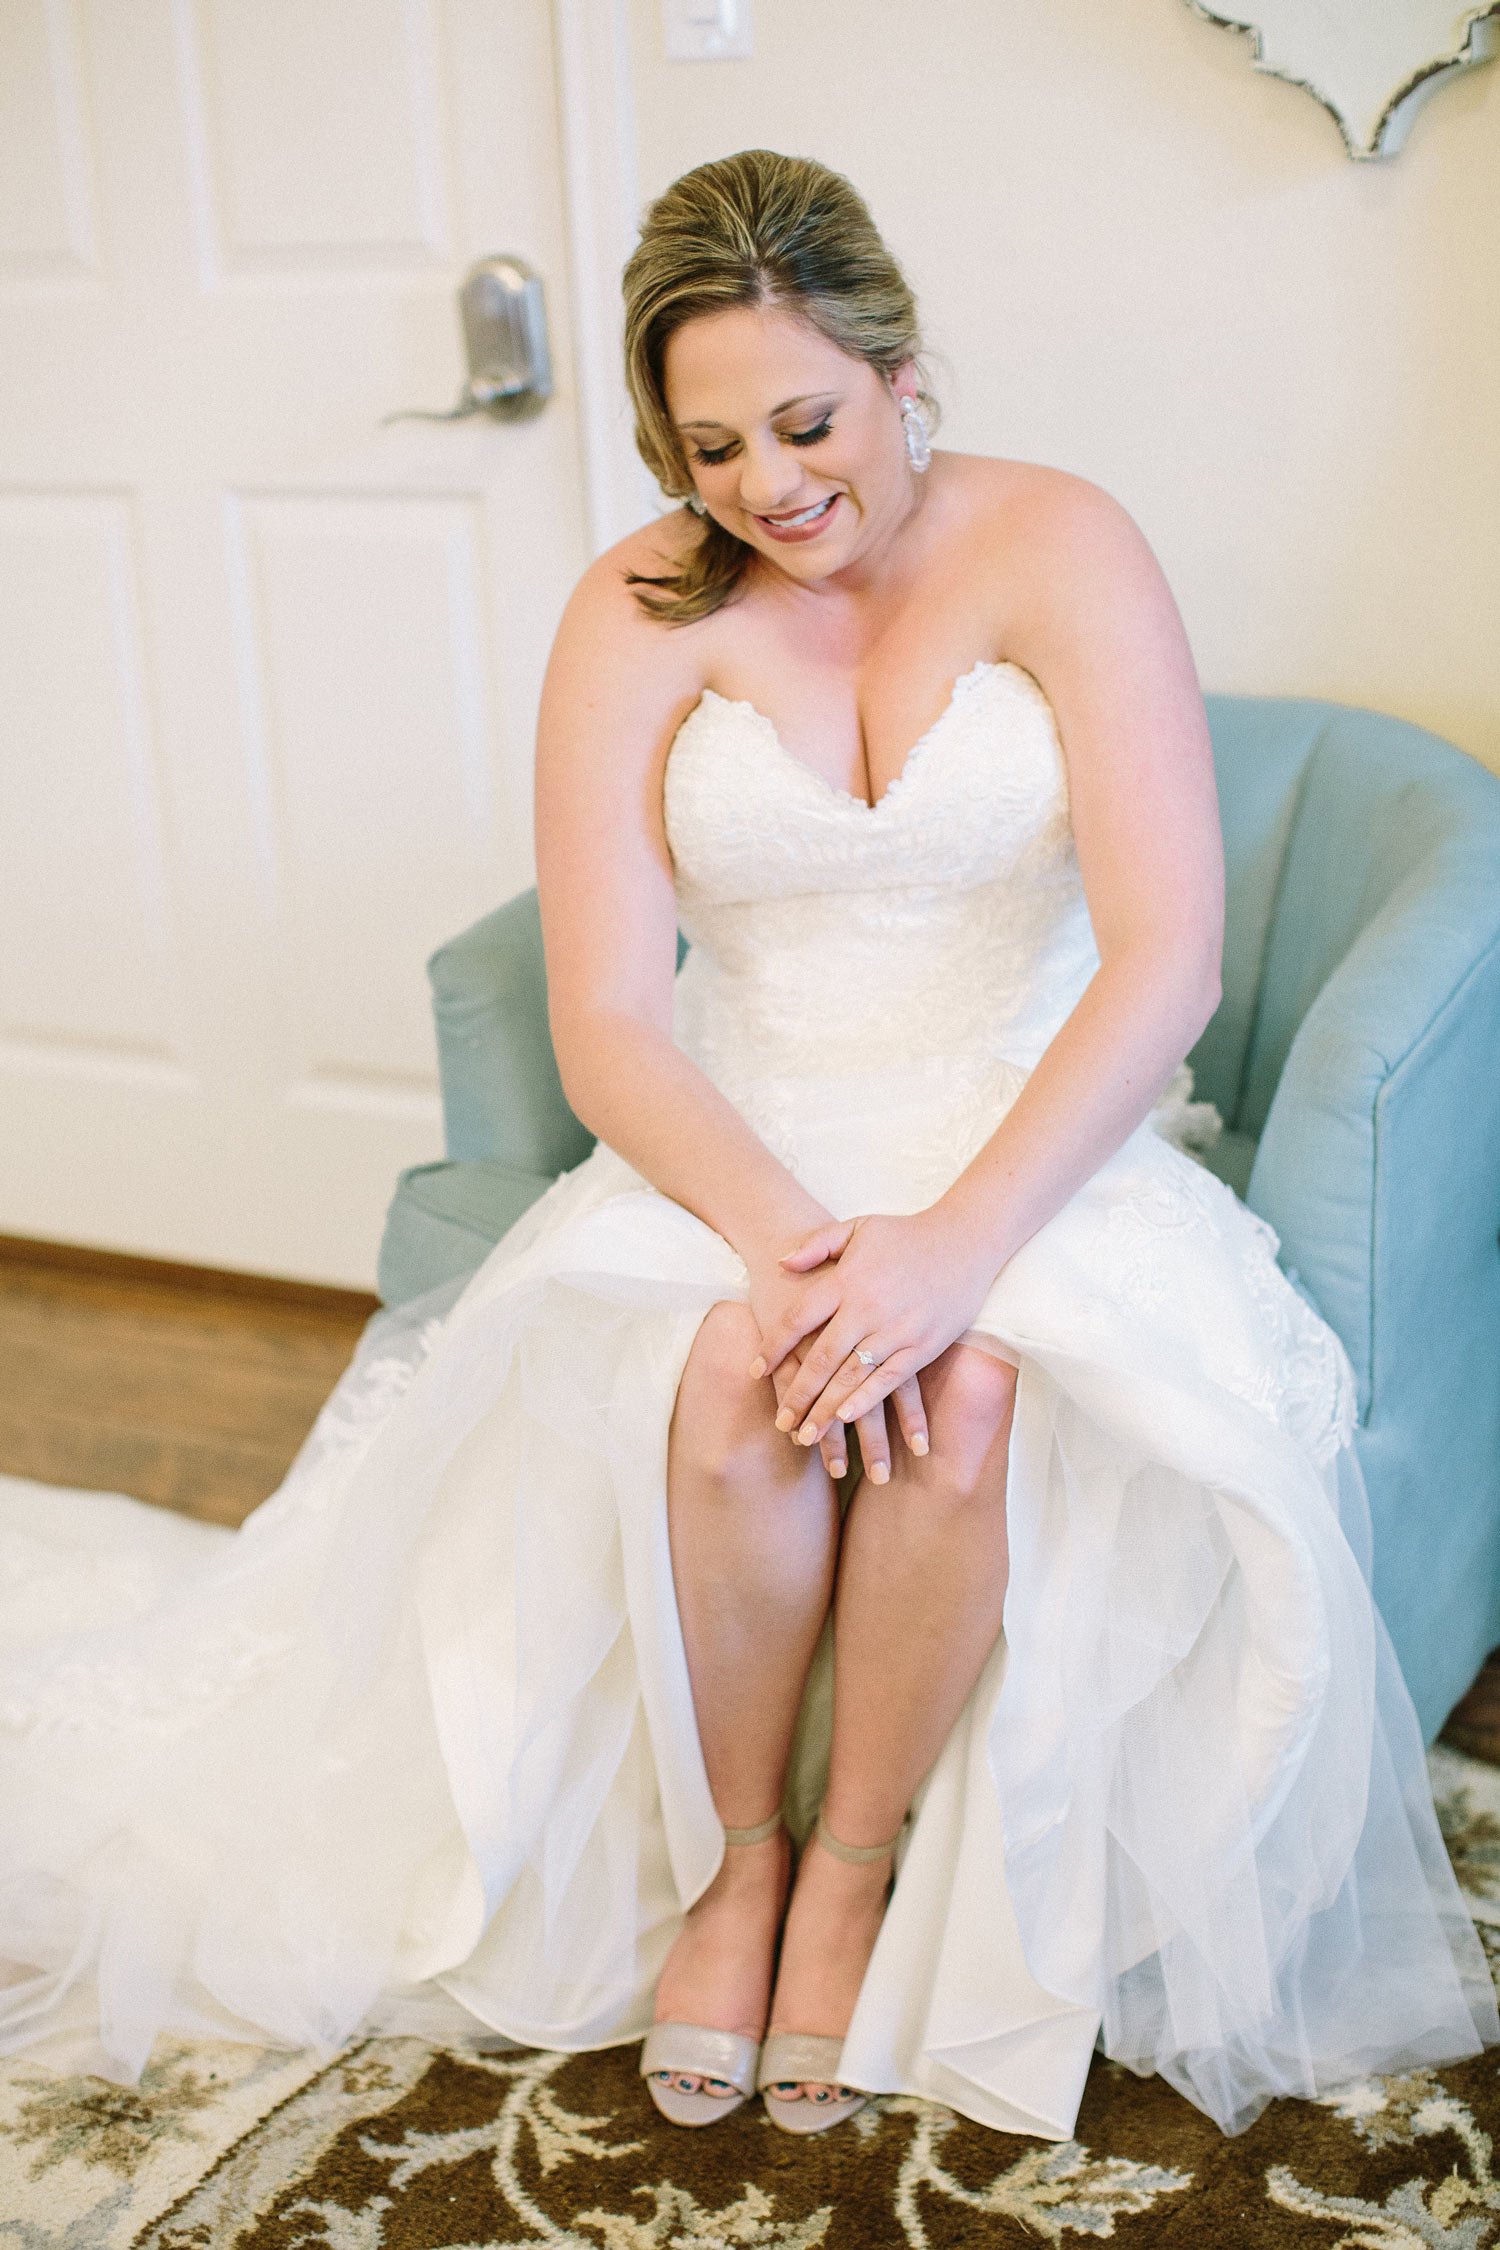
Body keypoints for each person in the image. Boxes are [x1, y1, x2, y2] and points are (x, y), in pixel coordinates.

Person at [0, 149, 1493, 2145]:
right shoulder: (631, 605)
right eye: (710, 446)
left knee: (967, 1391)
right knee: (726, 1387)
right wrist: (803, 1247)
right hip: (742, 1136)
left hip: (1031, 1134)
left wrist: (947, 1250)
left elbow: (1167, 957)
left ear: (896, 369)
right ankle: (739, 1872)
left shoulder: (1065, 542)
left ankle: (856, 1870)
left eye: (807, 422)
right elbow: (609, 1019)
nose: (769, 485)